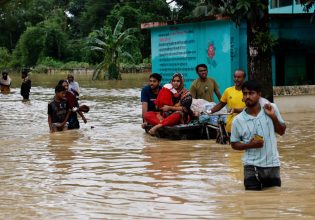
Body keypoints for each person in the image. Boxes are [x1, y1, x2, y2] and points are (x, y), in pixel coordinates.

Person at [230, 80, 286, 191]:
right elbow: (234, 144)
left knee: (273, 199)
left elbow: (282, 131)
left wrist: (273, 116)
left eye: (251, 93)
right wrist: (249, 145)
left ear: (259, 94)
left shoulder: (271, 108)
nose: (247, 96)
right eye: (245, 93)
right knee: (252, 201)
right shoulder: (238, 120)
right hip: (251, 166)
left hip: (272, 164)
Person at [209, 69, 246, 134]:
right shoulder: (228, 91)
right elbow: (221, 104)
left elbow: (251, 109)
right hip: (230, 126)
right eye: (235, 77)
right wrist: (210, 111)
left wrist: (236, 110)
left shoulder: (248, 92)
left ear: (244, 78)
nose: (236, 79)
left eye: (239, 77)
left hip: (245, 126)